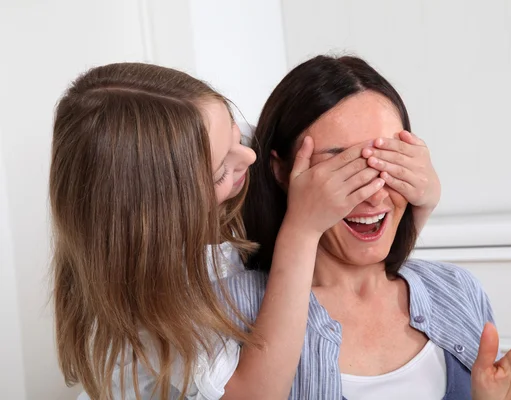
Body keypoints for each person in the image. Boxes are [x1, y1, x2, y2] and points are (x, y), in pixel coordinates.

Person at [50, 62, 440, 399]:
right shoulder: (158, 292)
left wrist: (423, 199)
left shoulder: (237, 153)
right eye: (222, 169)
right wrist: (301, 230)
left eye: (238, 135)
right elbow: (255, 394)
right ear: (167, 209)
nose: (248, 157)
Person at [224, 54, 511, 399]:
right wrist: (301, 229)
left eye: (390, 159)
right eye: (343, 167)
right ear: (282, 172)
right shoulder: (230, 308)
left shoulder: (457, 291)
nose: (373, 195)